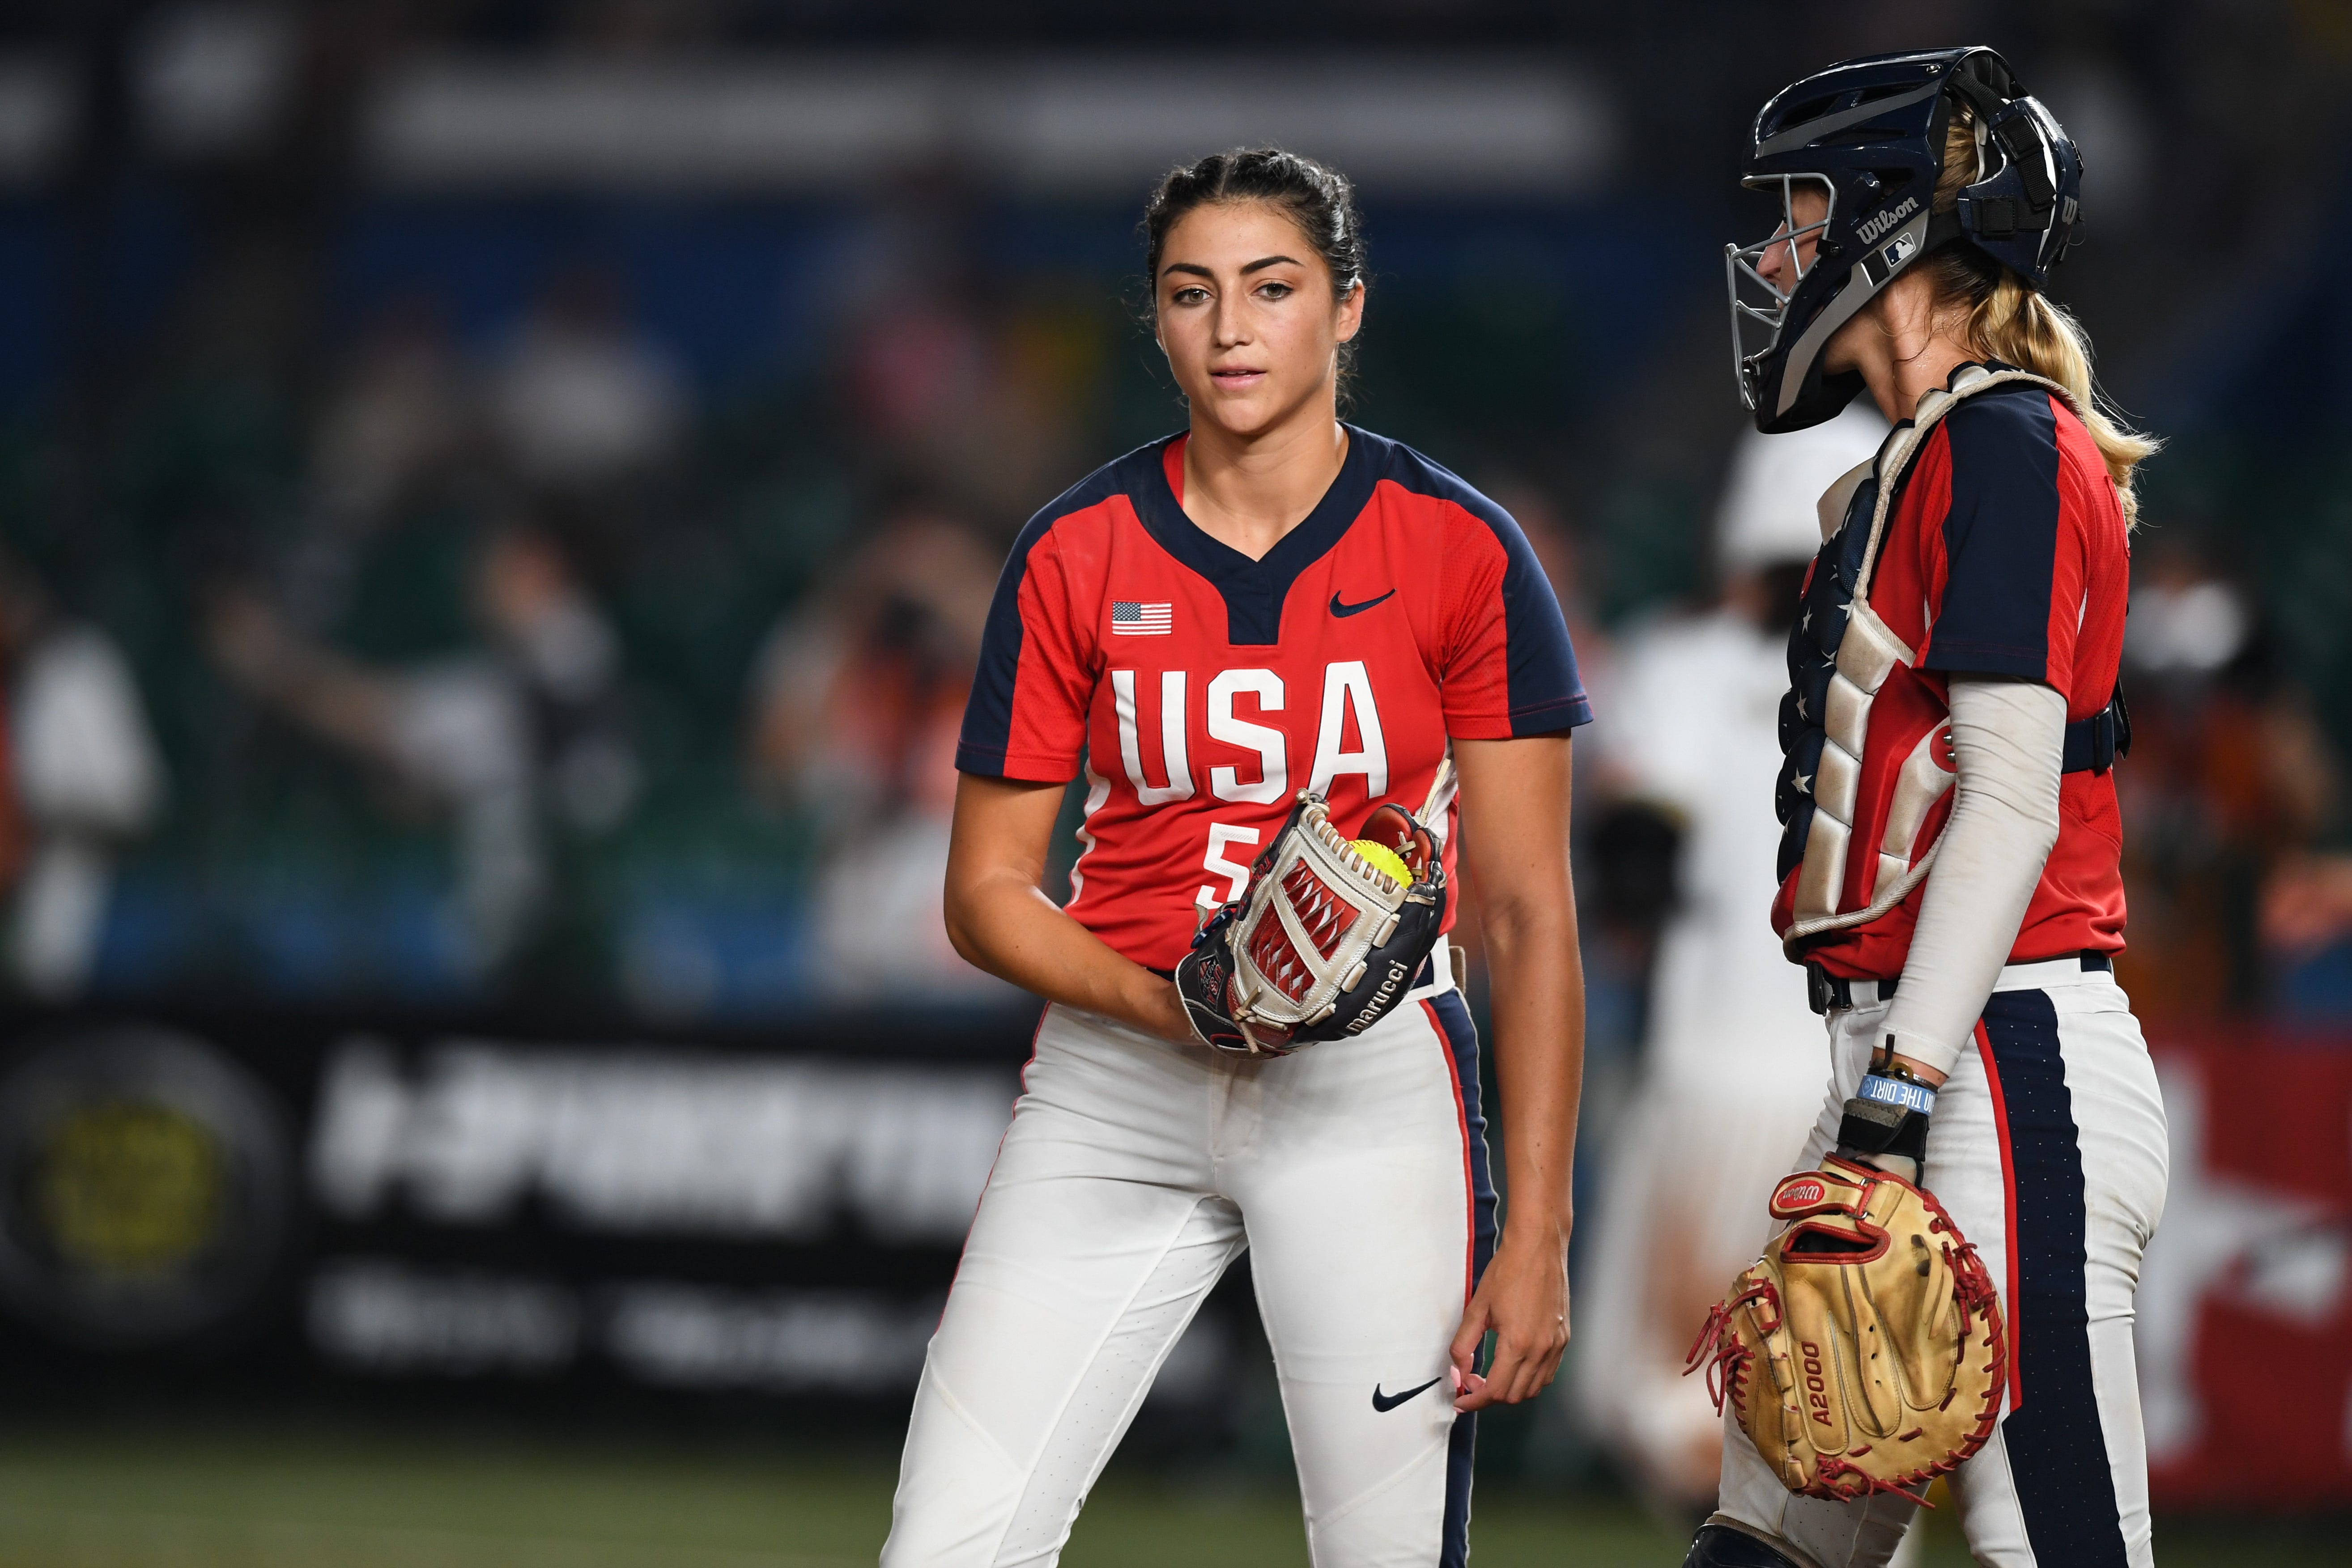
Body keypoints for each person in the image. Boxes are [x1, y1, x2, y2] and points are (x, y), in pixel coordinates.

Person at [882, 148, 1591, 1567]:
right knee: (947, 1548)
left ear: (1347, 309)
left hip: (1374, 1085)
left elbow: (1522, 914)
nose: (1231, 327)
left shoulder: (1461, 549)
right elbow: (981, 891)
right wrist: (1171, 1007)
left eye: (1272, 289)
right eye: (1192, 293)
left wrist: (1541, 1233)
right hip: (1113, 1081)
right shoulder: (1073, 550)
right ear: (1155, 320)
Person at [1689, 48, 2167, 1568]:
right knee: (1763, 1545)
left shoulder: (2004, 445)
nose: (1777, 248)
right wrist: (1876, 1094)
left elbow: (2009, 804)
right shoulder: (1912, 462)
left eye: (1804, 205)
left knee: (2057, 1543)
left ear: (1893, 226)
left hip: (1996, 1058)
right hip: (1912, 1055)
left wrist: (1895, 1095)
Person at [1574, 401, 1884, 1513]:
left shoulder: (1677, 664)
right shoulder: (1913, 684)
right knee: (1844, 1403)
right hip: (1851, 1086)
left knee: (1662, 1389)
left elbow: (1632, 861)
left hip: (1712, 1069)